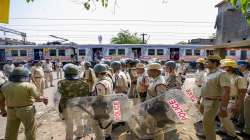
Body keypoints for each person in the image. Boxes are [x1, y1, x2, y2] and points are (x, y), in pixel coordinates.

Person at [0, 67, 48, 140]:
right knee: (30, 130)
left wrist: (3, 110)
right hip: (26, 110)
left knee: (11, 131)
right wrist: (44, 99)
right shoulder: (28, 85)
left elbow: (1, 100)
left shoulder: (4, 86)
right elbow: (37, 97)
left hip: (11, 111)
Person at [201, 55, 232, 140]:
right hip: (205, 100)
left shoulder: (221, 74)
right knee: (207, 123)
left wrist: (223, 108)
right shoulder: (208, 73)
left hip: (213, 102)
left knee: (207, 122)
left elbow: (226, 91)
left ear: (214, 63)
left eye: (208, 62)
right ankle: (208, 136)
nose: (205, 63)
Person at [57, 63, 90, 140]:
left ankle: (69, 138)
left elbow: (59, 97)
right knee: (79, 121)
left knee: (69, 124)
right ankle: (79, 135)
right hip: (80, 106)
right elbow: (87, 97)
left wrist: (60, 110)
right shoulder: (84, 83)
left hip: (67, 107)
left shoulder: (61, 83)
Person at [218, 59, 247, 139]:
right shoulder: (224, 76)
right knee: (221, 116)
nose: (223, 67)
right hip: (224, 99)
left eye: (225, 66)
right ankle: (223, 129)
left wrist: (237, 105)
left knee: (225, 117)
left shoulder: (239, 78)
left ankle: (232, 134)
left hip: (232, 100)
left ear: (230, 67)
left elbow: (242, 93)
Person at [146, 63, 168, 140]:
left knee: (157, 129)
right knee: (152, 127)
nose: (147, 72)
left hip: (156, 110)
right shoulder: (154, 80)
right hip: (152, 107)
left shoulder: (160, 83)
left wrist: (153, 111)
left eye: (149, 71)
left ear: (155, 71)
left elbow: (161, 100)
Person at [92, 64, 113, 140]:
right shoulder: (108, 80)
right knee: (108, 122)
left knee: (96, 124)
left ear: (97, 73)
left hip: (103, 106)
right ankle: (108, 136)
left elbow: (100, 98)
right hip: (109, 104)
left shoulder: (100, 84)